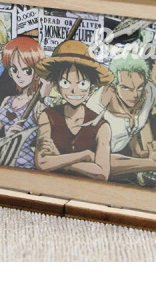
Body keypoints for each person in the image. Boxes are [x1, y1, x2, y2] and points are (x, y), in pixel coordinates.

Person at [33, 40, 113, 181]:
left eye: (82, 83)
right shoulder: (47, 116)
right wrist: (84, 156)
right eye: (65, 83)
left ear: (91, 88)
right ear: (57, 86)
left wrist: (59, 159)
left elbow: (102, 173)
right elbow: (42, 163)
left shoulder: (101, 126)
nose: (74, 90)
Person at [86, 54, 156, 181]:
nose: (135, 95)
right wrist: (152, 164)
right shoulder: (94, 110)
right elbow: (97, 162)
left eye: (140, 87)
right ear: (113, 86)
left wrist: (137, 151)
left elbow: (135, 124)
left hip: (127, 157)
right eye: (126, 88)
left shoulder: (149, 92)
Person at [0, 36, 49, 159]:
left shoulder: (39, 106)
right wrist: (6, 139)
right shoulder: (8, 101)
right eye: (14, 69)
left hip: (27, 163)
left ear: (37, 72)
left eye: (27, 71)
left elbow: (47, 146)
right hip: (3, 160)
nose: (19, 75)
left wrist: (43, 98)